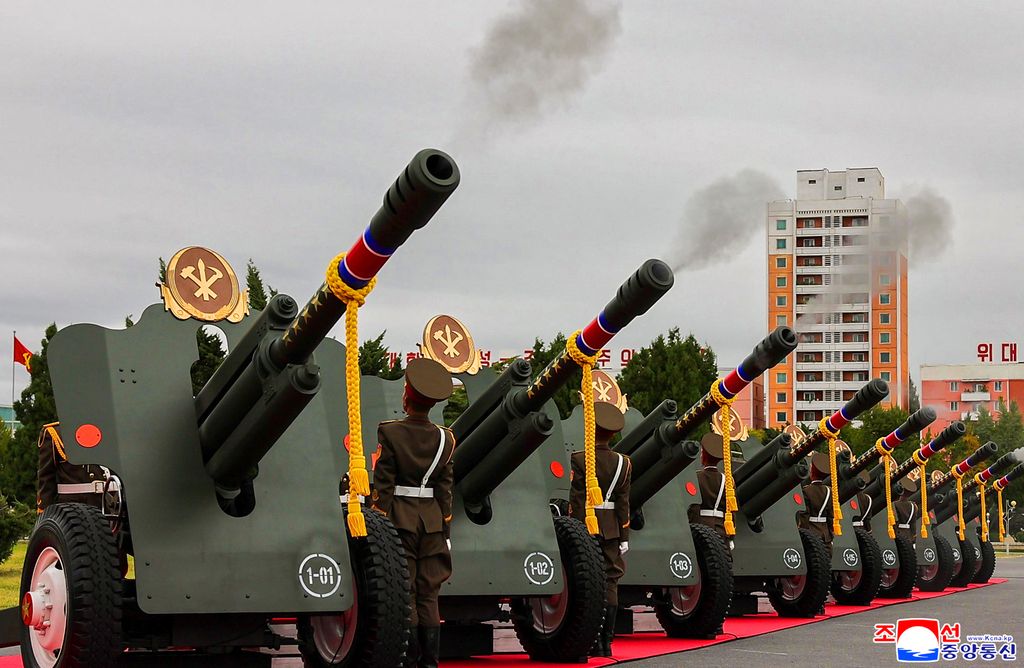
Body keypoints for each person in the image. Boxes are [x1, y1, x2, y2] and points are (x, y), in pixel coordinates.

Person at [371, 358, 455, 668]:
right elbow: (445, 491)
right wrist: (445, 531)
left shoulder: (390, 433)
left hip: (400, 521)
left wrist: (378, 522)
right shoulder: (446, 439)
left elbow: (384, 485)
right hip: (432, 523)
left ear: (407, 396)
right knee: (428, 593)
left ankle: (410, 662)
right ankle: (430, 663)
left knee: (406, 593)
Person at [569, 401, 629, 659]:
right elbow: (623, 504)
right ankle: (607, 642)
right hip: (612, 528)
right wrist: (624, 535)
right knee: (611, 582)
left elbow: (577, 499)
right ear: (614, 434)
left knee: (588, 584)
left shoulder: (580, 459)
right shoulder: (624, 464)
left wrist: (577, 527)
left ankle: (593, 641)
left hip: (587, 527)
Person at [688, 431, 732, 555]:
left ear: (704, 456)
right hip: (720, 529)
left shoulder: (696, 477)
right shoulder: (727, 480)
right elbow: (730, 508)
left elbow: (694, 507)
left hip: (701, 527)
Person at [799, 452, 834, 554]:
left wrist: (803, 535)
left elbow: (804, 517)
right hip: (825, 534)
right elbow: (830, 516)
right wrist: (830, 535)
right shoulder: (829, 491)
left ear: (812, 473)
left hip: (811, 533)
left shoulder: (806, 490)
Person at [894, 477, 919, 543]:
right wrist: (913, 535)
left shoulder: (895, 504)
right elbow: (913, 523)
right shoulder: (913, 506)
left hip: (897, 534)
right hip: (908, 534)